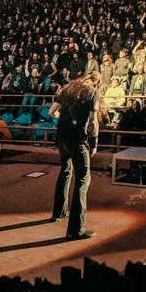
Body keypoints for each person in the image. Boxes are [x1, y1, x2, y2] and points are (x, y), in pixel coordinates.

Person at [49, 71, 103, 239]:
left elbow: (52, 111)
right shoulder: (92, 93)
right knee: (82, 180)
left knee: (65, 171)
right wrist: (94, 143)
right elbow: (93, 122)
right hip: (77, 140)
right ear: (96, 83)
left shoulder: (68, 88)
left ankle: (59, 212)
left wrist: (63, 121)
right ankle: (75, 230)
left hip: (62, 138)